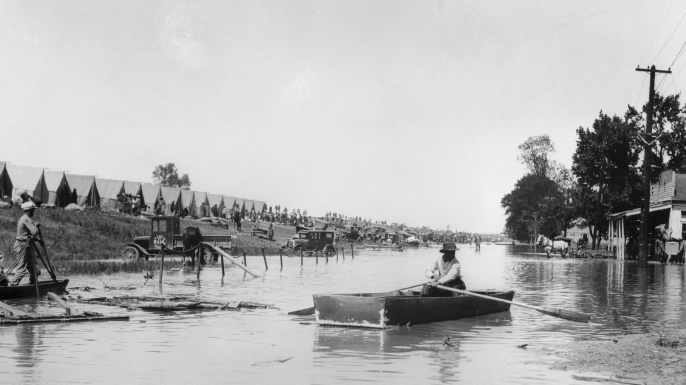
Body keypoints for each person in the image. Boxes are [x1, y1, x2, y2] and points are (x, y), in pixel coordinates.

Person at [9, 201, 40, 286]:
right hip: (22, 245)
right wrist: (36, 226)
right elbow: (34, 232)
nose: (34, 211)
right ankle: (13, 285)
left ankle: (33, 283)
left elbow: (30, 233)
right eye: (33, 210)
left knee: (34, 267)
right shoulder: (25, 218)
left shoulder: (26, 218)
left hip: (27, 245)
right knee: (21, 268)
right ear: (29, 210)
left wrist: (33, 224)